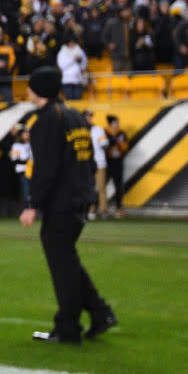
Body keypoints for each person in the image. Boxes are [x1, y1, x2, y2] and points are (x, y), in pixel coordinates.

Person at [20, 66, 117, 344]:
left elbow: (46, 168)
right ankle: (99, 313)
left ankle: (68, 327)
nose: (26, 91)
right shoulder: (74, 115)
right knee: (67, 261)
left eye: (30, 86)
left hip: (61, 201)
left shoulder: (46, 120)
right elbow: (85, 160)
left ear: (39, 90)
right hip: (78, 197)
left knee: (62, 264)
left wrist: (31, 203)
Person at [104, 114, 128, 216]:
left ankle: (118, 208)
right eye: (116, 122)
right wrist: (113, 141)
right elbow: (103, 145)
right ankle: (96, 207)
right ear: (111, 123)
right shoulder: (104, 132)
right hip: (107, 162)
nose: (118, 124)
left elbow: (126, 146)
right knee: (101, 186)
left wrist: (120, 144)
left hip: (118, 161)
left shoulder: (121, 133)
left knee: (119, 186)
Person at [87, 110, 108, 218]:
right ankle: (91, 211)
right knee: (89, 188)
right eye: (87, 116)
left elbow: (104, 144)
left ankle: (103, 210)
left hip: (99, 162)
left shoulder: (98, 130)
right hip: (87, 164)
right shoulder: (81, 130)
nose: (89, 118)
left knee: (101, 187)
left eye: (90, 116)